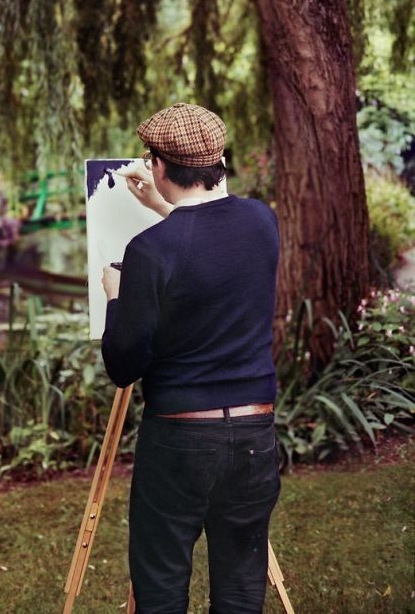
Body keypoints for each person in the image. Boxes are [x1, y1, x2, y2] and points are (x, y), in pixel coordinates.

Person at [101, 102, 280, 614]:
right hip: (254, 434)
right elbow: (212, 249)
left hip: (179, 439)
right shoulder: (262, 223)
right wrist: (164, 209)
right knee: (243, 585)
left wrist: (116, 295)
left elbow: (124, 365)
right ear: (219, 157)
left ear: (158, 166)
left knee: (161, 586)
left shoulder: (150, 251)